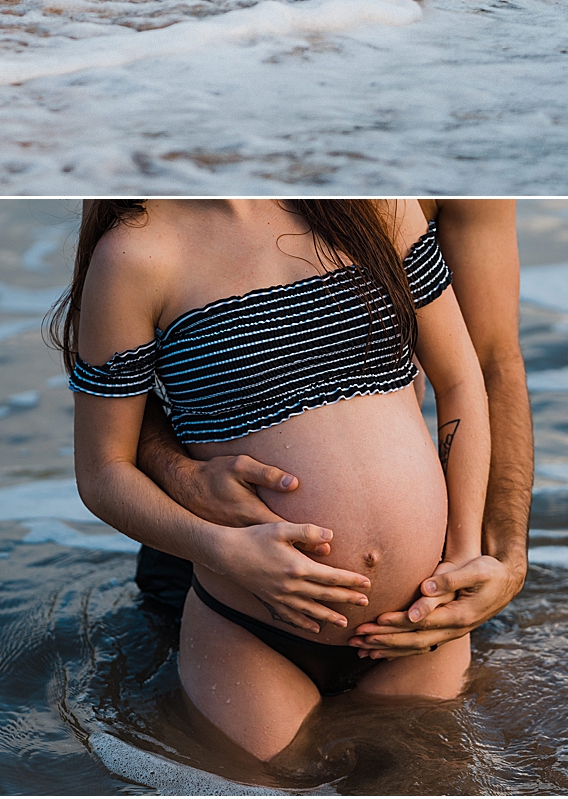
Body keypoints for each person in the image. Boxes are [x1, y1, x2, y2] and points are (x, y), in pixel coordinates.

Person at [53, 200, 491, 763]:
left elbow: (461, 382)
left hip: (417, 619)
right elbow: (103, 473)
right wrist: (226, 551)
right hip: (253, 631)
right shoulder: (135, 255)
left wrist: (463, 556)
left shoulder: (375, 204)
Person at [129, 198, 532, 659]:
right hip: (220, 548)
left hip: (420, 585)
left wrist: (504, 558)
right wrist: (179, 474)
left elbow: (489, 364)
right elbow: (118, 381)